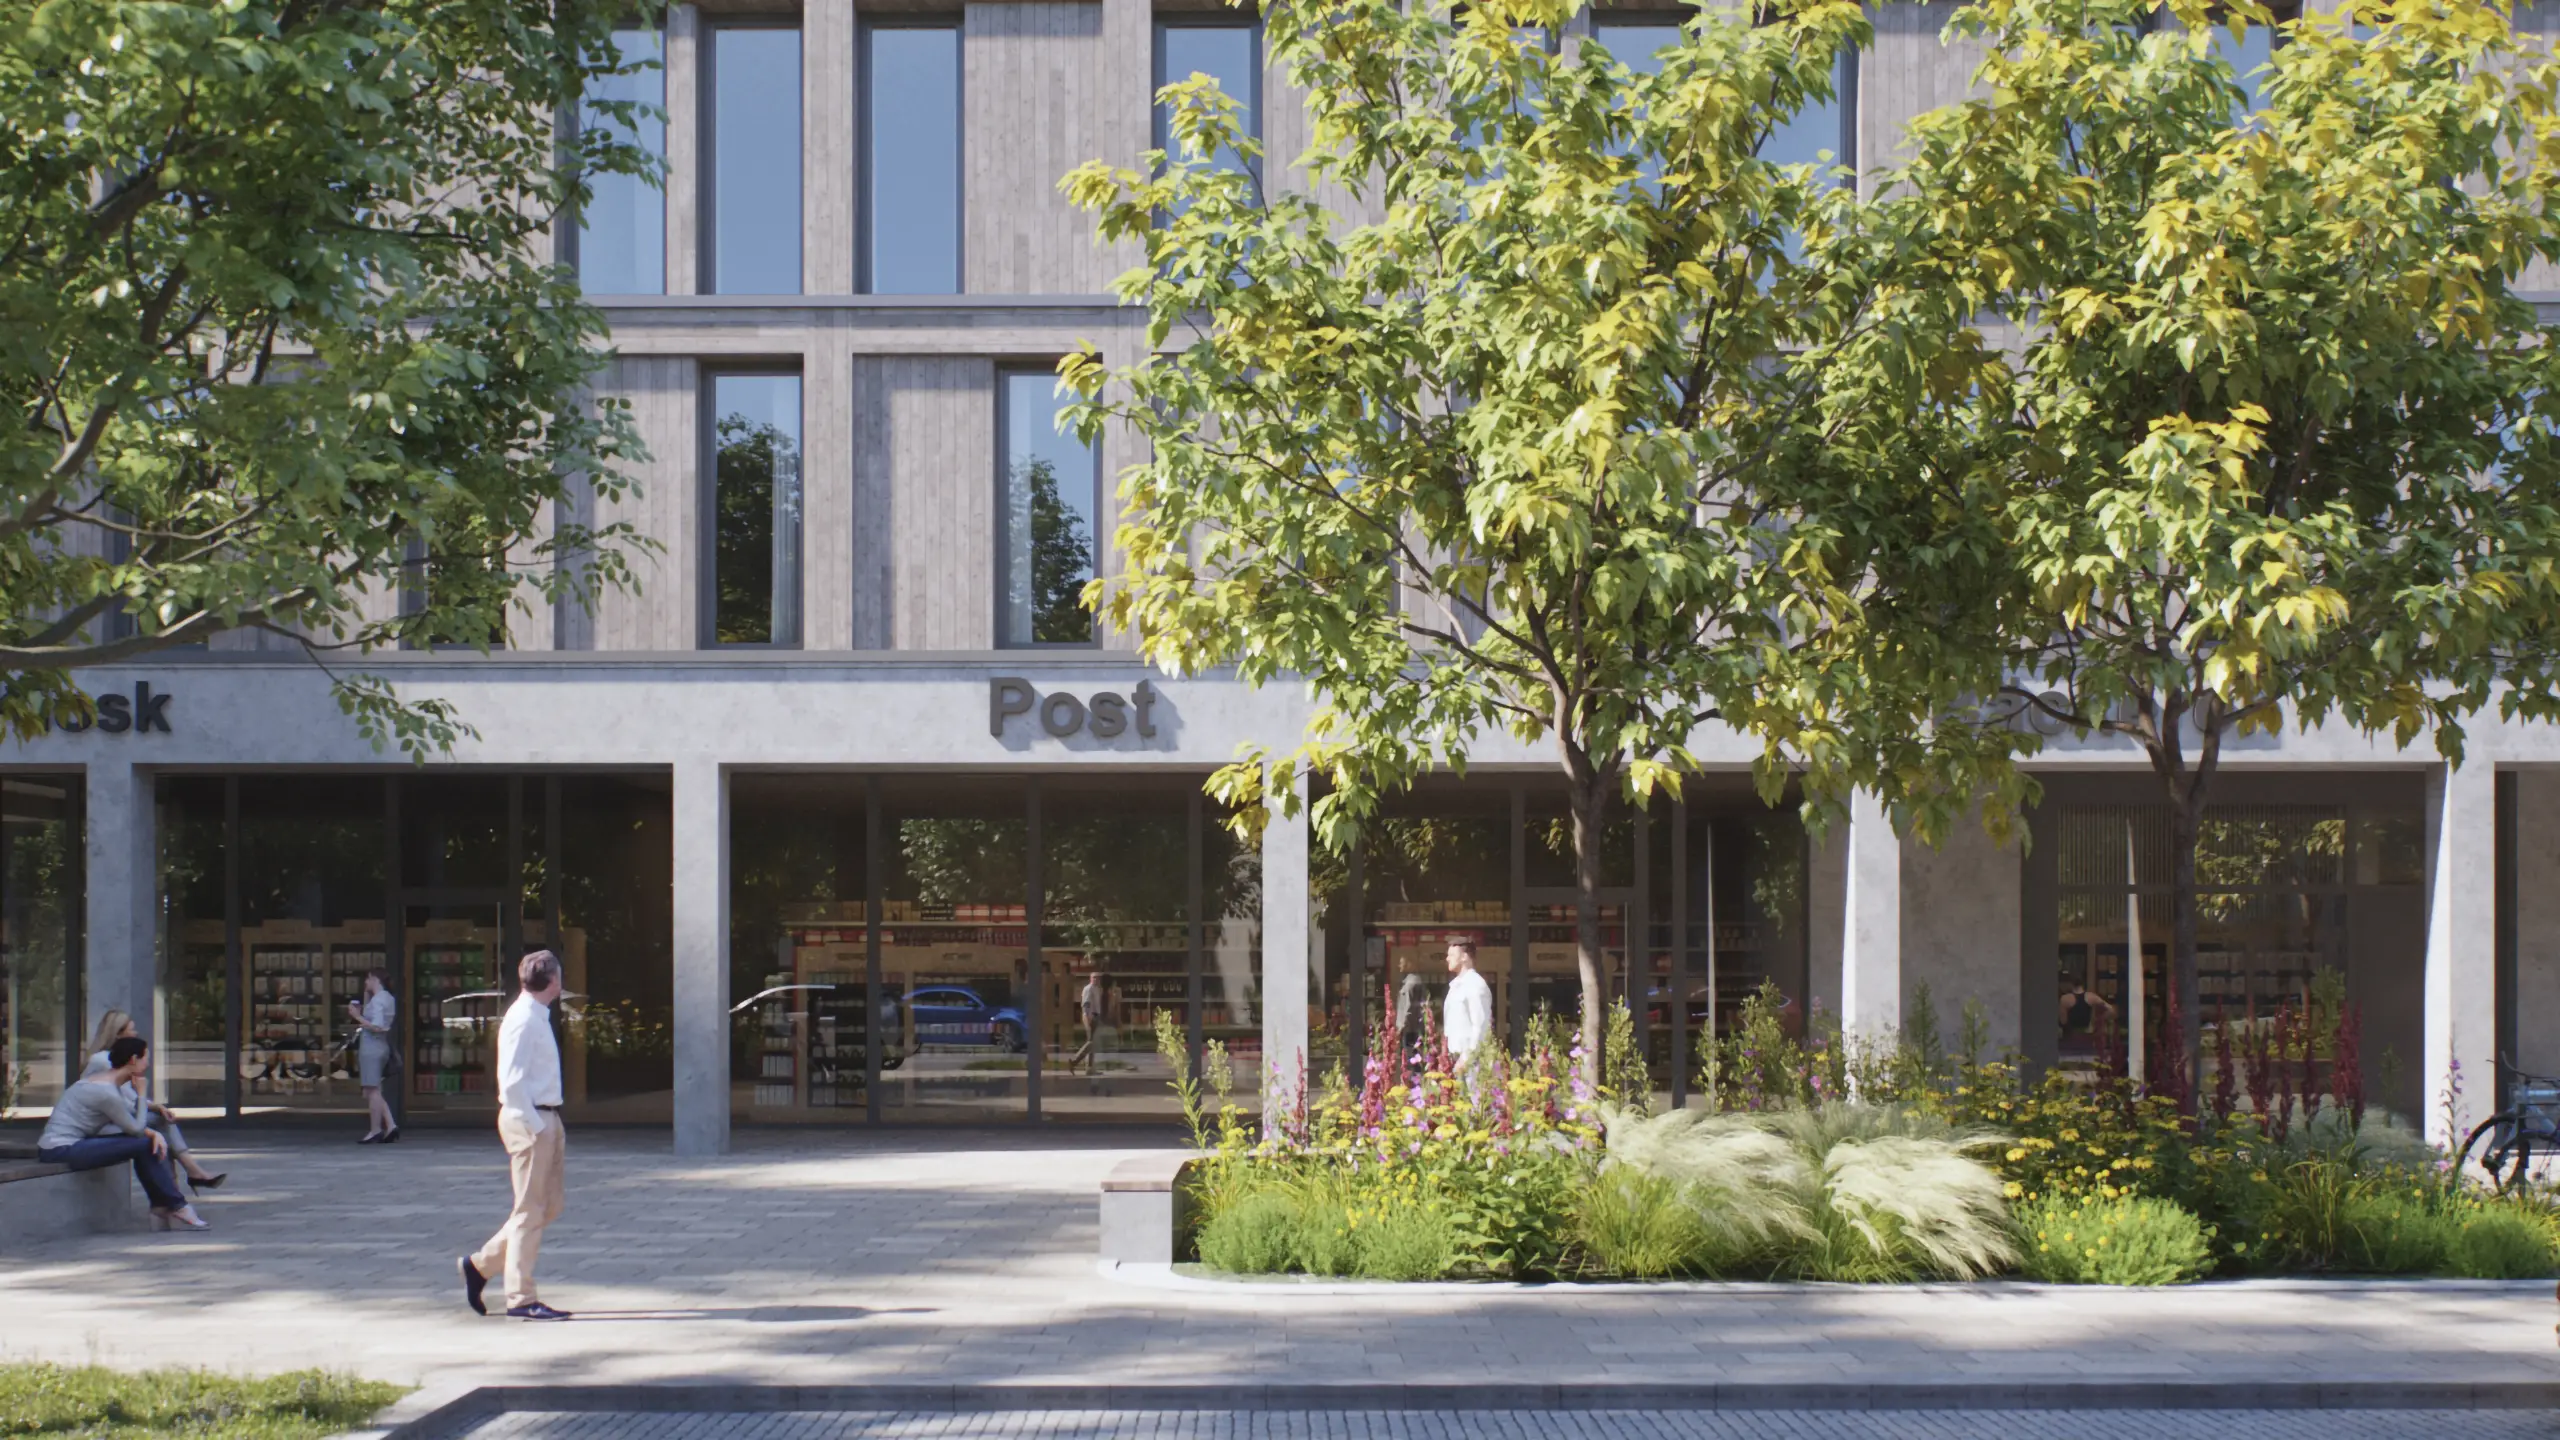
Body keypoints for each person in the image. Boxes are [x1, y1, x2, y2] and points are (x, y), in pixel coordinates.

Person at [459, 950, 572, 1321]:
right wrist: (536, 1127)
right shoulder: (524, 1020)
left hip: (546, 1116)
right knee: (529, 1210)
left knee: (548, 1206)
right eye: (560, 975)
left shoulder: (536, 1015)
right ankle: (520, 1297)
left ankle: (480, 1265)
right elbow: (511, 1082)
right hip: (531, 1120)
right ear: (552, 981)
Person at [42, 1036, 208, 1231]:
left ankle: (165, 1206)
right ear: (133, 1060)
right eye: (145, 1057)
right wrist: (141, 1094)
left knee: (148, 1143)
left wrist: (153, 1133)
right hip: (62, 1149)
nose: (148, 1063)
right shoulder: (106, 1092)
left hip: (72, 1145)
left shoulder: (107, 1084)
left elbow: (130, 1125)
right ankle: (176, 1206)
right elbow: (136, 1129)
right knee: (146, 1144)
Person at [82, 1010, 224, 1193]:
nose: (136, 1034)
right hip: (100, 1124)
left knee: (160, 1124)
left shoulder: (114, 1058)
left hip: (114, 1117)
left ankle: (178, 1186)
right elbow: (126, 1101)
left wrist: (156, 1106)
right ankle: (185, 1178)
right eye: (131, 1030)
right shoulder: (103, 1060)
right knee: (159, 1123)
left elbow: (127, 1097)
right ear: (118, 1033)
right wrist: (153, 1106)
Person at [348, 968, 400, 1144]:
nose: (366, 982)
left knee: (372, 1090)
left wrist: (357, 1017)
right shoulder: (388, 998)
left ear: (375, 979)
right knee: (374, 1089)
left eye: (368, 979)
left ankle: (375, 1129)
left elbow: (377, 1026)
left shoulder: (378, 1001)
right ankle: (390, 1125)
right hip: (381, 1046)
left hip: (372, 1047)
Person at [1443, 938, 1492, 1061]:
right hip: (1452, 1058)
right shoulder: (1454, 986)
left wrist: (1467, 1058)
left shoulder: (1475, 984)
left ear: (1464, 957)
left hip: (1469, 1062)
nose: (1447, 959)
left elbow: (1481, 1025)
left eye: (1452, 955)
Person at [1066, 969, 1105, 1075]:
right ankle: (1074, 1061)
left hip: (1096, 1016)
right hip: (1090, 1016)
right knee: (1091, 1042)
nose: (1097, 979)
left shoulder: (1097, 989)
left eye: (1098, 978)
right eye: (1094, 977)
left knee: (1093, 1042)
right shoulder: (1088, 989)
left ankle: (1090, 1068)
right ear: (1090, 979)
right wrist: (1088, 1016)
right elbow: (1086, 1003)